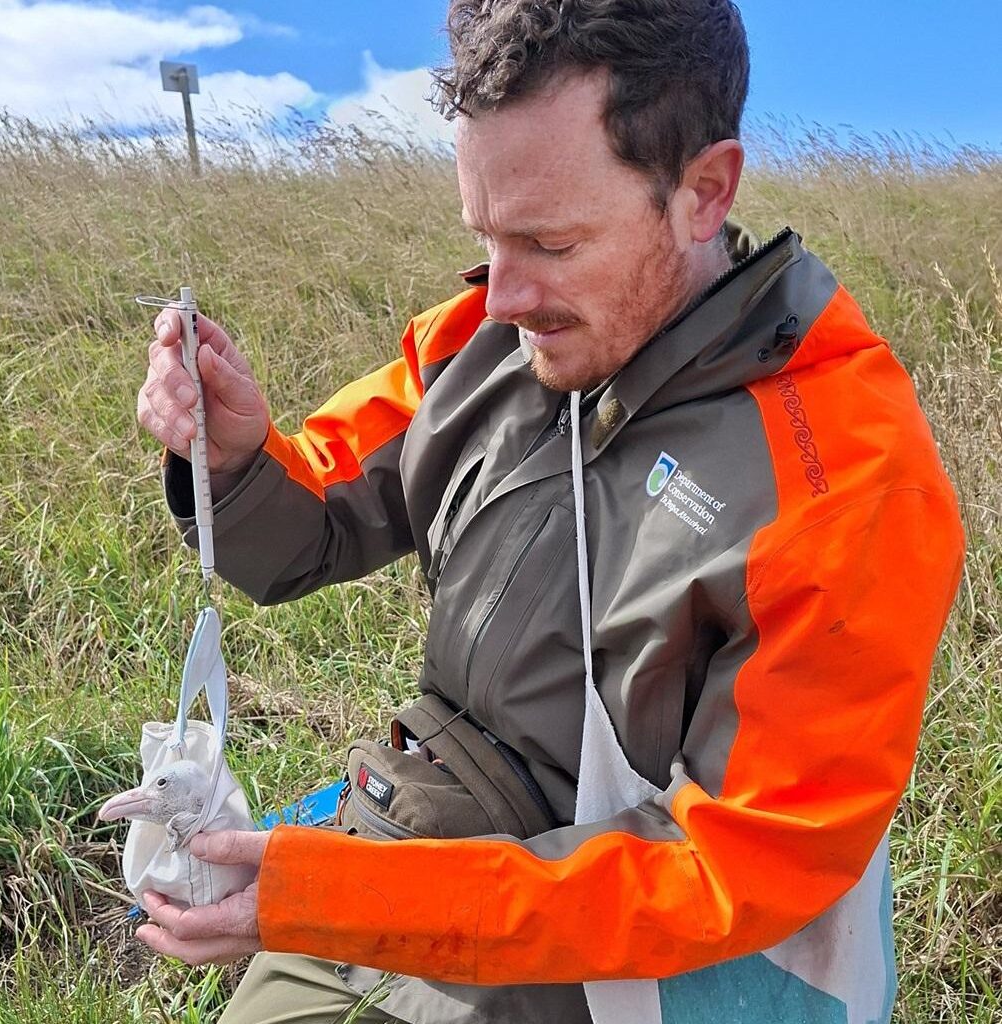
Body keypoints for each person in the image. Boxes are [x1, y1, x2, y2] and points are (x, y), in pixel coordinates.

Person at [133, 2, 964, 1022]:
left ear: (705, 192)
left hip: (620, 970)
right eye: (487, 236)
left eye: (550, 241)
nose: (502, 298)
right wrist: (232, 459)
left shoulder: (845, 481)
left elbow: (729, 874)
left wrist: (347, 900)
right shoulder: (484, 343)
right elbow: (312, 527)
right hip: (403, 842)